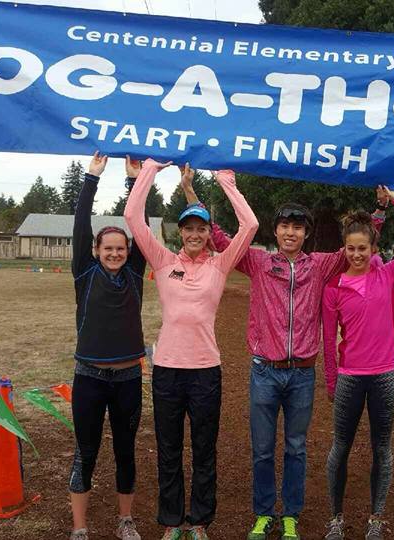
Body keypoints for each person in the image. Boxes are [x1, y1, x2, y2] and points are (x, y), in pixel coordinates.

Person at [186, 180, 387, 540]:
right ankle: (264, 513)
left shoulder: (321, 265)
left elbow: (359, 248)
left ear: (306, 233)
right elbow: (218, 236)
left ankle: (290, 514)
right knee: (262, 450)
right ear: (275, 230)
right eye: (285, 226)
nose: (290, 232)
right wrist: (190, 191)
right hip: (264, 371)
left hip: (302, 375)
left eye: (298, 227)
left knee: (296, 448)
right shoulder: (258, 261)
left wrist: (380, 211)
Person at [124, 159, 259, 540]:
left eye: (201, 228)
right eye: (189, 228)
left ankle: (198, 522)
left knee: (203, 450)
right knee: (168, 451)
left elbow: (250, 226)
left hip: (205, 372)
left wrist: (226, 182)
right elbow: (132, 215)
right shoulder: (163, 260)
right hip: (166, 369)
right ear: (180, 232)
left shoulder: (220, 264)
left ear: (206, 233)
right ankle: (171, 522)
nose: (195, 234)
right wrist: (151, 167)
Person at [321, 186, 394, 540]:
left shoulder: (388, 275)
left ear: (373, 249)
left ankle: (375, 519)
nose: (356, 254)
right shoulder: (334, 287)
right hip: (350, 377)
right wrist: (332, 380)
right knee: (341, 447)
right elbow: (327, 338)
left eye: (362, 248)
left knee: (382, 448)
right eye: (350, 248)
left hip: (383, 375)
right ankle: (336, 518)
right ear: (344, 249)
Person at [68, 152, 147, 540]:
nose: (114, 253)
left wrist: (134, 182)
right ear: (97, 251)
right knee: (86, 451)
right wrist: (91, 178)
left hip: (129, 378)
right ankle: (80, 528)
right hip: (89, 378)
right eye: (107, 248)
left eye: (120, 248)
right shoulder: (84, 273)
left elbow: (140, 225)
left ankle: (125, 521)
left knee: (125, 451)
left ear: (128, 252)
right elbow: (81, 227)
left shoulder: (134, 273)